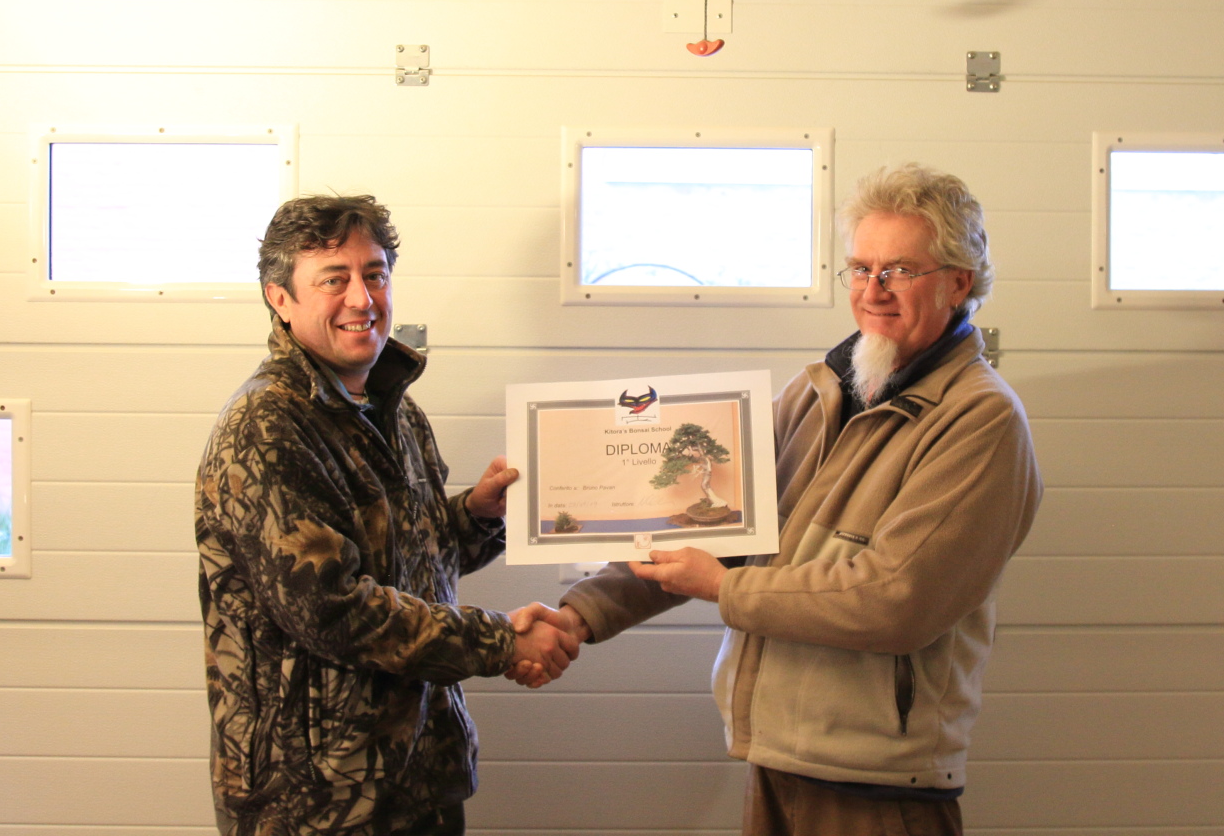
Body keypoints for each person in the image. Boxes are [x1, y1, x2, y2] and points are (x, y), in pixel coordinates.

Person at [551, 165, 1042, 836]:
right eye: (860, 268)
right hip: (778, 757)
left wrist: (723, 588)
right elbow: (710, 526)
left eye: (900, 271)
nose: (873, 290)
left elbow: (894, 600)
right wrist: (579, 615)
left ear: (959, 282)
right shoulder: (817, 393)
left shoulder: (980, 419)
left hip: (877, 786)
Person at [196, 194, 578, 836]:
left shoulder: (394, 409)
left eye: (374, 274)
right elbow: (335, 611)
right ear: (279, 298)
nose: (361, 298)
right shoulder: (269, 426)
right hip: (316, 800)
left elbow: (408, 561)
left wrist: (476, 516)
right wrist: (503, 641)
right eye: (333, 279)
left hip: (419, 773)